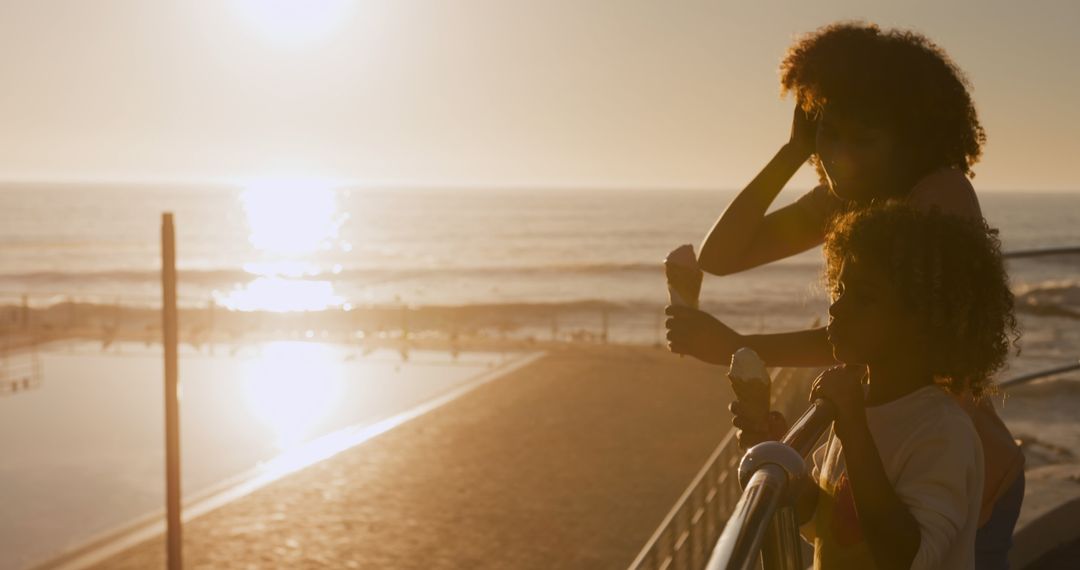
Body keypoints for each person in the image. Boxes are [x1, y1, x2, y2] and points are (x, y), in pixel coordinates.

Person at [665, 22, 1024, 568]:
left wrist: (739, 344)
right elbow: (722, 256)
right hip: (873, 446)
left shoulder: (938, 195)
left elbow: (891, 334)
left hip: (953, 462)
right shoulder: (841, 199)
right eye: (829, 134)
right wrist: (791, 151)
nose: (841, 156)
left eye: (863, 138)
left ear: (911, 137)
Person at [740, 202, 1017, 569]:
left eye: (865, 297)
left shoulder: (944, 432)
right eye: (840, 290)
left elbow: (905, 557)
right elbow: (829, 519)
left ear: (925, 323)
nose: (837, 308)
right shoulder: (860, 404)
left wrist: (853, 427)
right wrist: (779, 454)